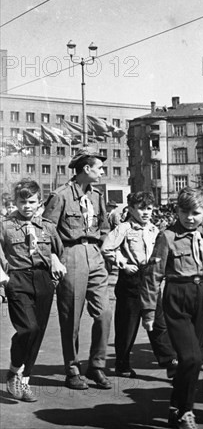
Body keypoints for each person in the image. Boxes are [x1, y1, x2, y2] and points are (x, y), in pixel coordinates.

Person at [141, 187, 203, 429]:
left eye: (196, 213)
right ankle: (185, 410)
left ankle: (179, 407)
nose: (190, 217)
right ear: (177, 211)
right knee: (191, 357)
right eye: (184, 212)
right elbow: (153, 276)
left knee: (192, 361)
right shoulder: (167, 236)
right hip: (176, 295)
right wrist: (149, 312)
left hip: (201, 296)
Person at [42, 146, 113, 390]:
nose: (102, 172)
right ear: (86, 168)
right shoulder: (60, 195)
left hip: (94, 255)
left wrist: (103, 249)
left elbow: (103, 226)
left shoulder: (96, 196)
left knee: (104, 313)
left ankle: (96, 365)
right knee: (71, 316)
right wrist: (54, 258)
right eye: (99, 168)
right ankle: (72, 369)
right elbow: (47, 232)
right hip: (70, 255)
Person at [1, 179, 67, 402]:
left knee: (37, 332)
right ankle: (13, 370)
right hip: (18, 279)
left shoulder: (47, 226)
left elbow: (57, 249)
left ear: (39, 203)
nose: (26, 206)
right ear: (15, 202)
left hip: (43, 279)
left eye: (31, 201)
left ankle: (24, 380)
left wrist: (56, 260)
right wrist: (4, 279)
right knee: (27, 328)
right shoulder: (5, 226)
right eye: (22, 201)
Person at [101, 191, 178, 379]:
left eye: (149, 209)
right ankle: (122, 363)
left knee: (158, 320)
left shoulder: (154, 229)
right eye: (141, 208)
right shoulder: (124, 228)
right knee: (128, 324)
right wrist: (123, 263)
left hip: (150, 278)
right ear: (131, 209)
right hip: (131, 279)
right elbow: (106, 248)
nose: (146, 212)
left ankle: (168, 360)